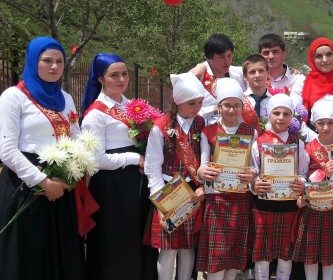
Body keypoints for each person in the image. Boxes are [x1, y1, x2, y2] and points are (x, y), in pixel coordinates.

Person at [0, 36, 85, 280]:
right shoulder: (13, 97)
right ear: (32, 61)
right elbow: (7, 150)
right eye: (46, 60)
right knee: (29, 255)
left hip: (61, 186)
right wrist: (43, 182)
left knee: (59, 254)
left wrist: (70, 175)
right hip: (25, 185)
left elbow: (77, 138)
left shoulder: (66, 98)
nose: (54, 66)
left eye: (59, 61)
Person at [81, 53, 158, 280]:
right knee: (116, 240)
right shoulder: (95, 114)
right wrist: (135, 159)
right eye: (114, 75)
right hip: (111, 186)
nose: (121, 79)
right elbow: (96, 160)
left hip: (136, 181)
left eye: (124, 74)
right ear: (100, 79)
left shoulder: (131, 106)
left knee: (137, 236)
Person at [144, 72, 207, 280]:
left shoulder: (202, 124)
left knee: (188, 247)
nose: (197, 107)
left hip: (193, 192)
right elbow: (152, 166)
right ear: (179, 101)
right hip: (168, 191)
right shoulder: (161, 126)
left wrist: (204, 187)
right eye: (192, 103)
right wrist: (160, 204)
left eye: (200, 102)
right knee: (168, 248)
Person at [196, 78, 258, 280]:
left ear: (242, 107)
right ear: (219, 106)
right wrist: (202, 172)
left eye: (236, 106)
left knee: (235, 252)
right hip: (217, 197)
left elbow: (255, 165)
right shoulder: (208, 132)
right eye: (227, 105)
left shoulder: (251, 132)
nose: (232, 110)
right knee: (217, 253)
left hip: (240, 197)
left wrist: (252, 174)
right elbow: (203, 164)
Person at [249, 93, 309, 280]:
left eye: (286, 113)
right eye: (276, 113)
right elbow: (252, 171)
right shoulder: (258, 143)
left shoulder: (298, 143)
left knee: (286, 254)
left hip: (289, 205)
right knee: (262, 255)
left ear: (292, 117)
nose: (281, 118)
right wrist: (254, 185)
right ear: (269, 115)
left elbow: (303, 172)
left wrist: (301, 184)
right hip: (264, 205)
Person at [291, 100, 333, 280]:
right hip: (311, 205)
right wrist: (300, 194)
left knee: (329, 254)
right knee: (311, 254)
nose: (325, 127)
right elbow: (301, 174)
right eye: (321, 123)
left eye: (330, 123)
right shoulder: (308, 147)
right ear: (314, 124)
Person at [190, 34, 246, 124]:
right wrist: (214, 109)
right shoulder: (198, 79)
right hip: (204, 130)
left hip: (235, 130)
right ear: (209, 58)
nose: (227, 61)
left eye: (229, 55)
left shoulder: (239, 77)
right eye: (221, 57)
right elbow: (187, 110)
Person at [258, 34, 304, 98]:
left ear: (283, 55)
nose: (271, 56)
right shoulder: (252, 79)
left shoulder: (297, 80)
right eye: (266, 53)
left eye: (275, 52)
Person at [242, 54, 274, 124]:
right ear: (245, 76)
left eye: (261, 70)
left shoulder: (275, 101)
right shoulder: (240, 100)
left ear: (268, 73)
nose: (257, 75)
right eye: (252, 72)